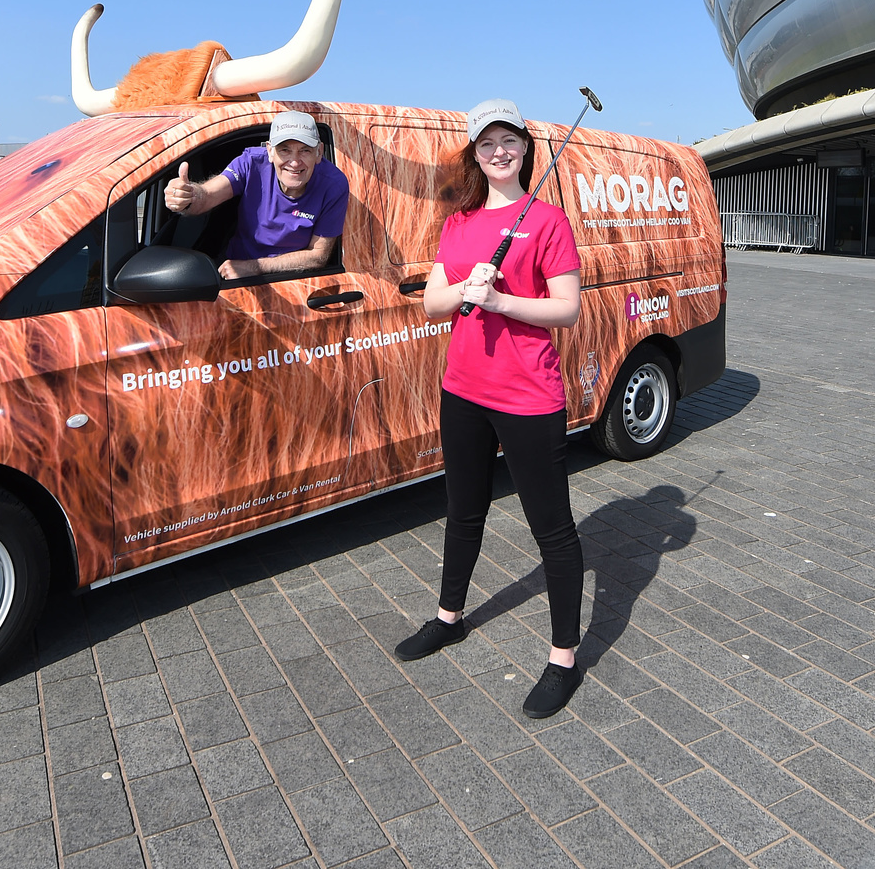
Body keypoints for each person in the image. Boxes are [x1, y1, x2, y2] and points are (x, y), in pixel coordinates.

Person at [393, 98, 587, 719]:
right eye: (486, 143)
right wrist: (464, 287)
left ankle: (563, 657)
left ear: (525, 148)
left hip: (528, 396)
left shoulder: (548, 221)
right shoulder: (459, 222)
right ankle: (448, 617)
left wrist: (501, 301)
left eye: (508, 140)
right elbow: (433, 304)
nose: (498, 152)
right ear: (474, 154)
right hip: (463, 390)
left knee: (551, 529)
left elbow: (566, 309)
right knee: (463, 511)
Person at [163, 110, 350, 280]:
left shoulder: (333, 184)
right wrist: (188, 196)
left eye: (305, 150)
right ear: (270, 151)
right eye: (285, 150)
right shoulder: (251, 163)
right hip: (235, 269)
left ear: (319, 152)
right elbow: (208, 195)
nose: (294, 162)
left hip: (293, 280)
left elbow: (317, 256)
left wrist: (256, 267)